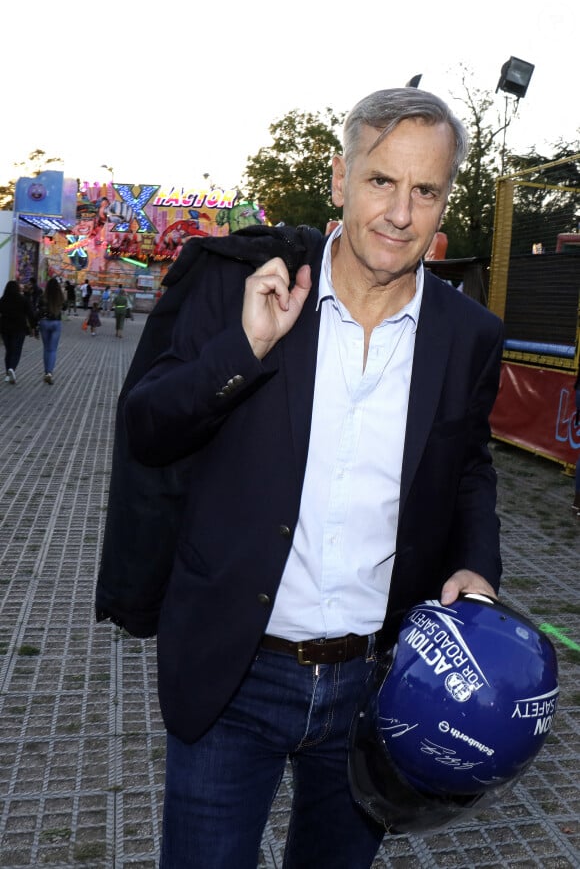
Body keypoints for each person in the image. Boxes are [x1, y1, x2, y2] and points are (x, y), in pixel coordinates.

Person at [122, 88, 504, 868]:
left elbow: (469, 466)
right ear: (339, 179)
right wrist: (242, 349)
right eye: (380, 181)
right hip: (235, 671)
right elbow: (147, 428)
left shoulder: (470, 335)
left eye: (424, 190)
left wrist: (477, 563)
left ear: (444, 203)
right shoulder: (248, 286)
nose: (400, 212)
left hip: (377, 686)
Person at [0, 280, 36, 384]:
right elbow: (30, 314)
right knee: (16, 350)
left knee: (9, 350)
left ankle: (7, 373)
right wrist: (33, 327)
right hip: (19, 328)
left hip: (5, 328)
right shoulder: (23, 299)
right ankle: (12, 368)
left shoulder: (3, 299)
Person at [37, 277, 65, 384]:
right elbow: (65, 307)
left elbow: (38, 309)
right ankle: (49, 373)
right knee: (53, 349)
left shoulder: (42, 297)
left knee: (46, 348)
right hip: (56, 323)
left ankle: (46, 372)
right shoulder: (60, 296)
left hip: (44, 323)